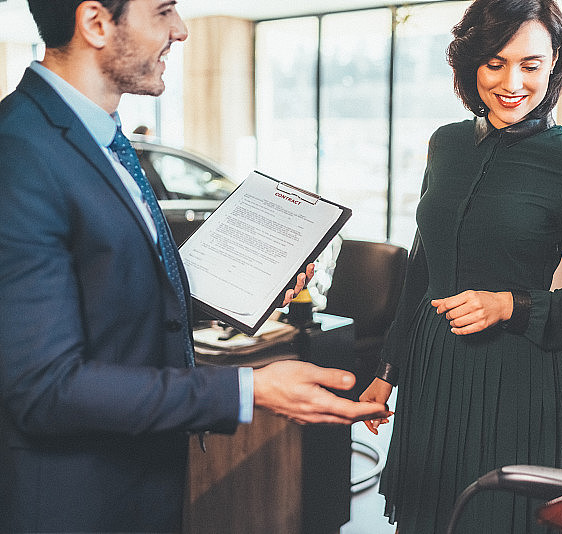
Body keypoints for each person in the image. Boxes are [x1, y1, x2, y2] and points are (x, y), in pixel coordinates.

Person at [0, 1, 389, 532]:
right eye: (162, 12)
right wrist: (250, 389)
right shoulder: (18, 152)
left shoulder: (102, 133)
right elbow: (45, 390)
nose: (181, 31)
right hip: (76, 503)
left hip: (142, 482)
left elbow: (108, 291)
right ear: (95, 22)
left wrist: (247, 285)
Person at [359, 0, 562, 532]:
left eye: (531, 64)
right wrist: (388, 372)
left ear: (554, 66)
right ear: (471, 63)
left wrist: (511, 305)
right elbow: (420, 269)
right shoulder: (446, 145)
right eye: (495, 63)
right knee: (427, 516)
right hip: (433, 370)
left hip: (515, 377)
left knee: (497, 520)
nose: (513, 83)